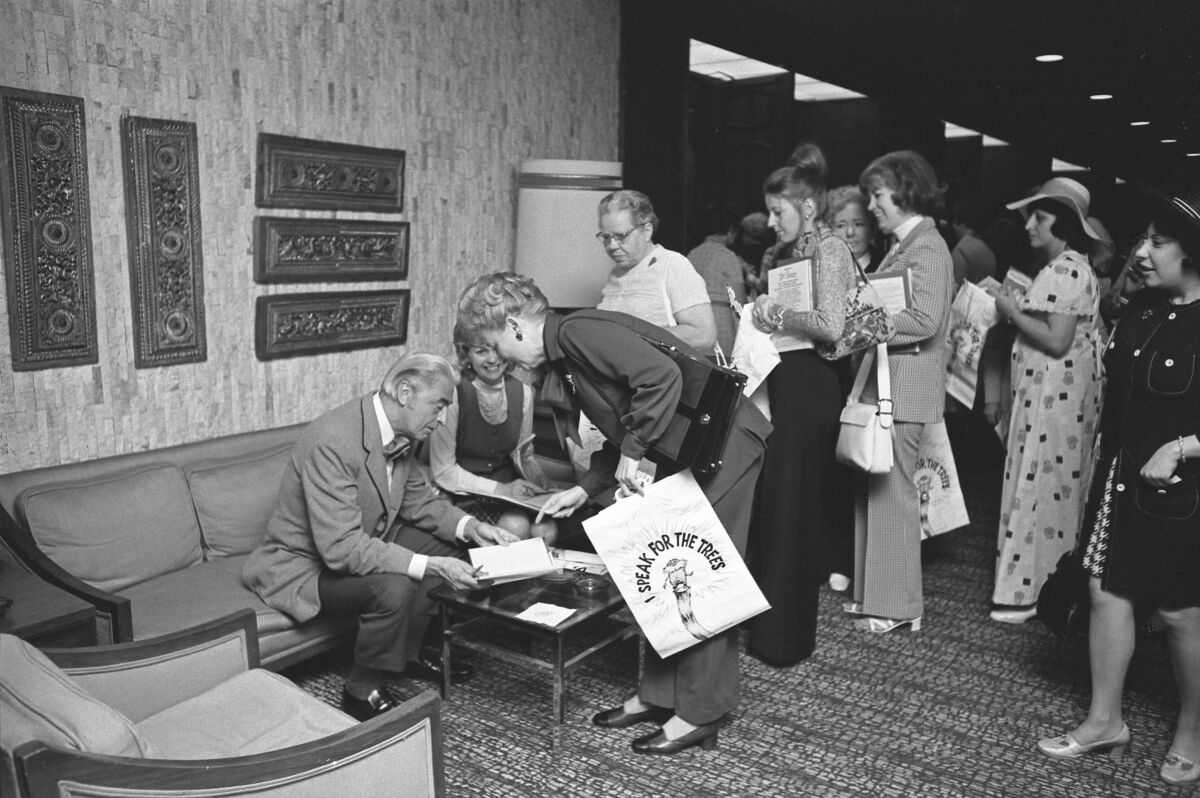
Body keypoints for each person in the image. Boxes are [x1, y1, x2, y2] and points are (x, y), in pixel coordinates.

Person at [456, 272, 771, 755]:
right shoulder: (564, 354)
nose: (498, 358)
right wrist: (585, 490)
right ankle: (661, 694)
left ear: (516, 326)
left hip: (724, 448)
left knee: (702, 579)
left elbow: (659, 379)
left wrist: (636, 450)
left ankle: (700, 712)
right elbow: (623, 423)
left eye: (495, 343)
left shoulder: (576, 333)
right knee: (664, 573)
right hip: (689, 454)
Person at [243, 353, 518, 721]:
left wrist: (472, 527)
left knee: (447, 544)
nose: (441, 421)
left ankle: (409, 653)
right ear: (405, 392)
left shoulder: (400, 432)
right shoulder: (333, 439)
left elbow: (419, 501)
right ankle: (360, 688)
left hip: (360, 542)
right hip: (304, 565)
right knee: (395, 585)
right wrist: (426, 564)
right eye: (438, 406)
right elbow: (340, 548)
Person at [1038, 181, 1200, 788]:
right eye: (1144, 239)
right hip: (1120, 480)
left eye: (1160, 242)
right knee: (1108, 594)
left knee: (1181, 613)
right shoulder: (1143, 307)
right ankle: (1105, 720)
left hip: (1186, 492)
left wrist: (1183, 447)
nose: (1143, 251)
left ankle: (1193, 731)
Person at [744, 144, 857, 665]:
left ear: (808, 207)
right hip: (784, 382)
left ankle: (784, 639)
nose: (770, 222)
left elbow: (832, 325)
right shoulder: (785, 254)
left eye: (778, 211)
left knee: (793, 507)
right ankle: (768, 626)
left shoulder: (830, 250)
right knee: (777, 505)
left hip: (812, 387)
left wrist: (777, 311)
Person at [986, 177, 1104, 624]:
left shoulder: (1066, 270)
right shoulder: (1064, 268)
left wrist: (1009, 309)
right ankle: (1040, 588)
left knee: (1040, 489)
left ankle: (1027, 593)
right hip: (1051, 401)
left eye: (1040, 216)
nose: (1029, 224)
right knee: (1047, 490)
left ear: (1065, 224)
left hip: (1055, 403)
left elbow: (1057, 340)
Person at [847, 150, 954, 633]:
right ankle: (877, 596)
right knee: (876, 492)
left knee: (893, 496)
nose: (872, 205)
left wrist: (865, 323)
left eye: (878, 194)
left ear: (905, 190)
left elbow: (924, 321)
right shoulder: (906, 246)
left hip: (905, 387)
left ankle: (899, 606)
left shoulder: (927, 248)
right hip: (891, 384)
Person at [428, 324, 558, 544]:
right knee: (516, 526)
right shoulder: (453, 394)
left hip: (512, 494)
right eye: (481, 351)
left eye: (498, 349)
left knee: (547, 528)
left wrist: (541, 484)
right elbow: (443, 471)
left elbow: (524, 456)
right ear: (465, 354)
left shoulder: (524, 393)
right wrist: (502, 489)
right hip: (464, 496)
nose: (492, 359)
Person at [595, 189, 716, 352]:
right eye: (606, 237)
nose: (612, 246)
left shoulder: (672, 265)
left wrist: (634, 338)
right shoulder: (615, 274)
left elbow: (704, 335)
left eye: (621, 236)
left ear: (647, 231)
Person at [686, 202, 748, 357]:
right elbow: (739, 302)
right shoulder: (728, 256)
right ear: (731, 231)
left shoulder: (692, 254)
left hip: (694, 323)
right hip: (721, 323)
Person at [826, 184, 883, 274]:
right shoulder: (821, 272)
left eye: (858, 224)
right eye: (841, 226)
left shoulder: (885, 267)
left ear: (872, 228)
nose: (850, 232)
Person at [949, 195, 998, 287]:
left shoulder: (961, 251)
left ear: (962, 224)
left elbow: (951, 289)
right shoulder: (986, 248)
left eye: (955, 222)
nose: (953, 226)